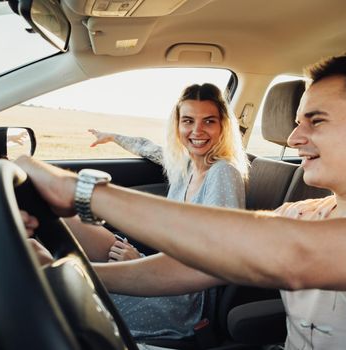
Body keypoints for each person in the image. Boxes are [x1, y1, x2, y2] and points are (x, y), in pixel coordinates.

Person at [18, 51, 346, 349]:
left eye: (316, 120)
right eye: (296, 121)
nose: (294, 137)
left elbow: (294, 256)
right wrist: (71, 276)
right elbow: (198, 263)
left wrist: (84, 192)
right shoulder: (308, 212)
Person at [60, 83, 249, 341]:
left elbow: (217, 256)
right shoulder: (187, 166)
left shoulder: (223, 172)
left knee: (75, 295)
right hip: (159, 264)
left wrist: (138, 262)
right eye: (188, 121)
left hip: (184, 297)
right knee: (66, 218)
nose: (197, 131)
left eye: (209, 121)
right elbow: (151, 150)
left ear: (223, 127)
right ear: (178, 125)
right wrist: (114, 136)